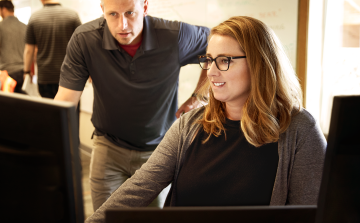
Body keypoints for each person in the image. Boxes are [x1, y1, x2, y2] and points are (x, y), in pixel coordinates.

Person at [85, 16, 327, 223]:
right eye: (209, 59)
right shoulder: (190, 125)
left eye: (224, 60)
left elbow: (313, 214)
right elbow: (140, 187)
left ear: (258, 63)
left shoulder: (299, 130)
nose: (210, 71)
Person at [54, 0, 209, 210]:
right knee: (104, 217)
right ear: (102, 9)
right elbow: (65, 102)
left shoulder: (173, 36)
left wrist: (199, 97)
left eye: (130, 13)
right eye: (112, 14)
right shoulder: (85, 39)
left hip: (159, 152)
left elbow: (222, 48)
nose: (122, 25)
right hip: (108, 148)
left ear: (144, 6)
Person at [24, 0, 81, 99]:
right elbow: (83, 45)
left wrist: (26, 72)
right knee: (70, 113)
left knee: (49, 114)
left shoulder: (34, 18)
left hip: (46, 76)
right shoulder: (72, 15)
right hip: (70, 75)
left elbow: (29, 50)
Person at [0, 0, 27, 93]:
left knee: (7, 105)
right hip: (24, 72)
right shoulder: (24, 27)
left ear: (3, 9)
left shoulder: (1, 27)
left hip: (7, 74)